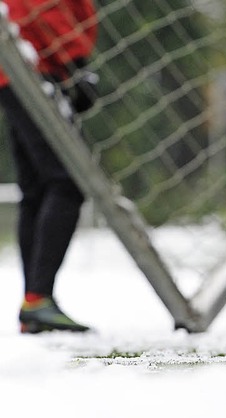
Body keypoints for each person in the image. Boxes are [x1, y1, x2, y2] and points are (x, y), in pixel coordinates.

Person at [0, 0, 98, 333]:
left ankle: (35, 300)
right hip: (32, 64)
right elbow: (43, 5)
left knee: (39, 188)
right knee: (67, 181)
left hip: (19, 64)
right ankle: (37, 298)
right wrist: (74, 63)